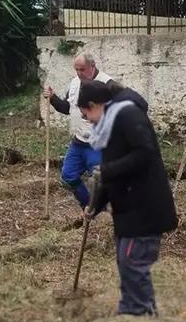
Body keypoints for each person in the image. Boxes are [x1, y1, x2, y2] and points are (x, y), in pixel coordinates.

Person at [77, 80, 177, 317]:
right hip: (128, 207)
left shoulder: (127, 115)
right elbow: (108, 170)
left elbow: (145, 152)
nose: (89, 121)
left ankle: (141, 314)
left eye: (86, 114)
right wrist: (96, 205)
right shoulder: (110, 123)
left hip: (144, 206)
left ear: (93, 105)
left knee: (133, 262)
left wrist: (108, 171)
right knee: (126, 262)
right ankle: (131, 310)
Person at [43, 53, 127, 212]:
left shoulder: (108, 84)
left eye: (82, 69)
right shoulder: (75, 84)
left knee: (101, 183)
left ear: (92, 67)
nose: (79, 73)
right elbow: (67, 109)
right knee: (68, 178)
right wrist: (52, 98)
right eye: (76, 69)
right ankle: (90, 208)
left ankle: (104, 213)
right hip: (78, 142)